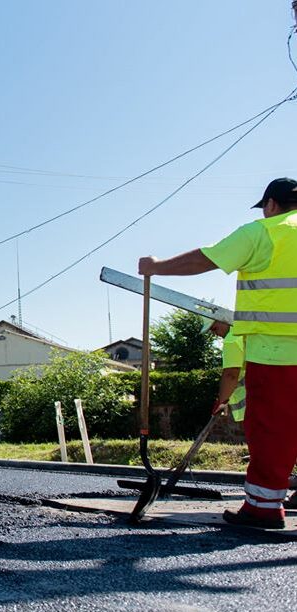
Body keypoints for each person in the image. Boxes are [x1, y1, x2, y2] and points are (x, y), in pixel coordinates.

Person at [138, 177, 297, 530]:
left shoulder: (265, 232)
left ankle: (263, 508)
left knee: (274, 427)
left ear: (271, 204)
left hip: (277, 349)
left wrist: (156, 266)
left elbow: (205, 259)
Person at [204, 320, 245, 423]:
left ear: (222, 319)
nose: (215, 334)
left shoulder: (231, 339)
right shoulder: (244, 331)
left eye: (214, 328)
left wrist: (221, 402)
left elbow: (231, 374)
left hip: (257, 397)